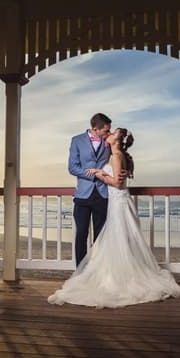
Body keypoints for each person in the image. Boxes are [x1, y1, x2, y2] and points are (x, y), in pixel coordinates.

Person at [50, 128, 180, 308]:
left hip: (117, 202)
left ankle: (116, 277)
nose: (109, 135)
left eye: (112, 133)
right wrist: (102, 171)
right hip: (115, 202)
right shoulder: (114, 154)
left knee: (118, 239)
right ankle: (111, 273)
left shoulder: (115, 156)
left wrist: (100, 173)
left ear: (117, 140)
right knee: (115, 240)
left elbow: (116, 182)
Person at [68, 113, 113, 267]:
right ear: (95, 129)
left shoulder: (109, 142)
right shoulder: (77, 141)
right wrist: (94, 174)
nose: (108, 134)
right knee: (81, 233)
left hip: (103, 194)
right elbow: (72, 167)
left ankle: (97, 271)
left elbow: (117, 160)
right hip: (83, 194)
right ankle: (80, 270)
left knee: (100, 236)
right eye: (106, 131)